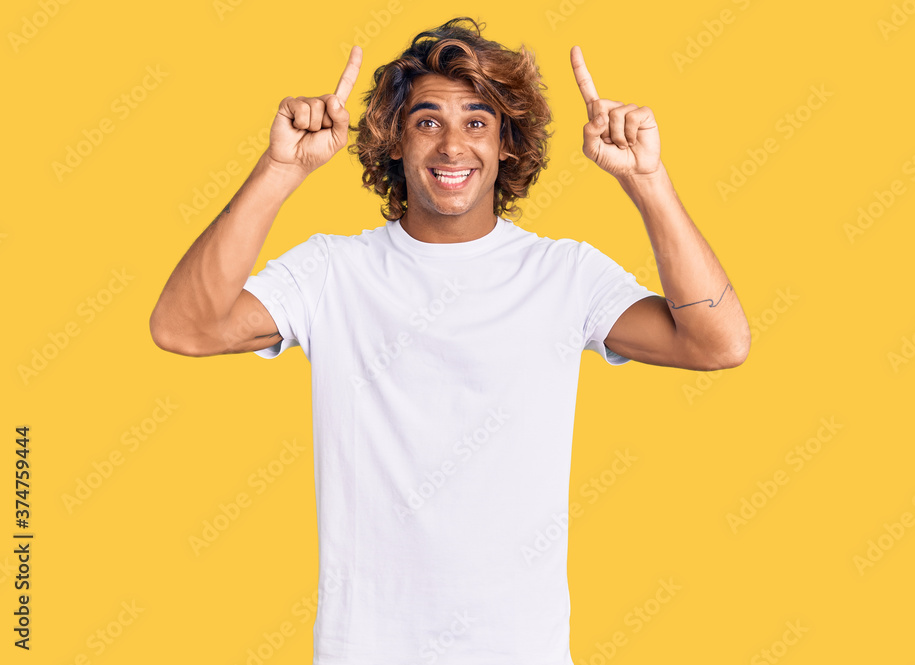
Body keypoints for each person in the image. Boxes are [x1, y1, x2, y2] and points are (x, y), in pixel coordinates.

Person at [150, 16, 749, 665]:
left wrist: (647, 181)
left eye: (477, 122)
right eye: (428, 121)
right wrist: (279, 168)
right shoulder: (332, 272)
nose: (452, 146)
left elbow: (717, 342)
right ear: (395, 143)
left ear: (506, 145)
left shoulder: (563, 274)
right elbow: (184, 326)